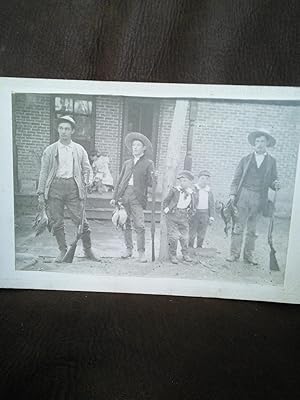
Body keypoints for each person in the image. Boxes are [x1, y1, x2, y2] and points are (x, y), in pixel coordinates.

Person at [37, 115, 98, 263]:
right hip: (54, 188)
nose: (64, 131)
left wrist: (88, 181)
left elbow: (87, 168)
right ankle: (63, 250)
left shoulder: (79, 149)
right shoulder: (50, 150)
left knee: (81, 221)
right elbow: (43, 172)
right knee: (57, 221)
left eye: (67, 129)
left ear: (72, 131)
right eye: (61, 128)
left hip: (73, 187)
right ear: (58, 130)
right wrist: (40, 193)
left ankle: (88, 250)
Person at [226, 129, 280, 265]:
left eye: (262, 141)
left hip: (259, 198)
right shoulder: (245, 159)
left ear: (267, 143)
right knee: (238, 226)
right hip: (243, 195)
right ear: (253, 143)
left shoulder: (271, 161)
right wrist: (233, 194)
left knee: (252, 229)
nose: (259, 144)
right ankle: (234, 254)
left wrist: (276, 183)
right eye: (257, 141)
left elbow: (273, 181)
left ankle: (249, 256)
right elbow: (236, 178)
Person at [110, 132, 156, 263]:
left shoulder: (148, 163)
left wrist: (154, 177)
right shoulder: (127, 163)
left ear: (144, 148)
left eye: (138, 145)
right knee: (125, 223)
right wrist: (115, 197)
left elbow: (150, 183)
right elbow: (119, 181)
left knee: (139, 225)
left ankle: (141, 252)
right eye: (133, 145)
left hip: (137, 197)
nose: (135, 147)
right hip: (124, 196)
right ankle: (129, 249)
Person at [163, 170, 194, 264]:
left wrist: (190, 212)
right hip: (173, 215)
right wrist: (166, 209)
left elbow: (193, 204)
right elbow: (166, 200)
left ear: (190, 182)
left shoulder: (191, 192)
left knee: (185, 237)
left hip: (184, 216)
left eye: (185, 181)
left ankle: (185, 254)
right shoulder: (175, 190)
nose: (182, 183)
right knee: (174, 236)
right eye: (181, 181)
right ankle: (173, 255)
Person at [189, 170, 215, 248]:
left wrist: (211, 216)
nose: (204, 181)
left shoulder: (209, 191)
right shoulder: (193, 190)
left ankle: (199, 247)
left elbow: (211, 205)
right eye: (202, 178)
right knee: (192, 232)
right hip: (195, 213)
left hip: (205, 214)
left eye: (207, 179)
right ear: (198, 179)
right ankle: (190, 247)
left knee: (202, 232)